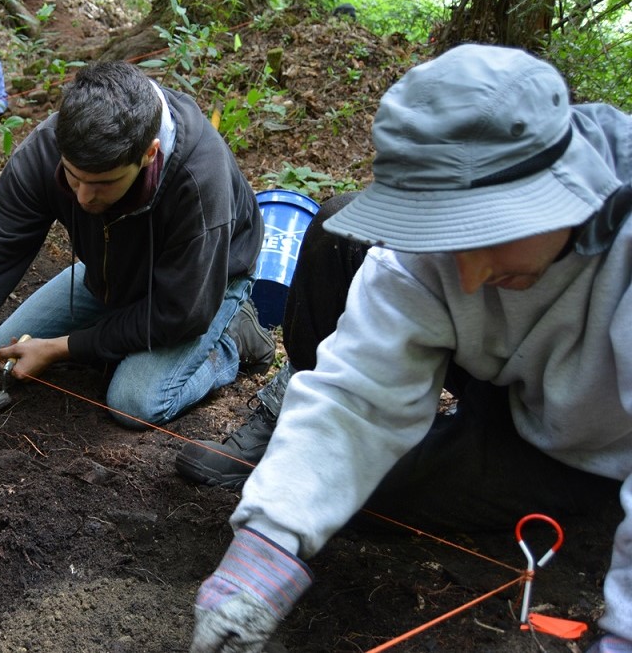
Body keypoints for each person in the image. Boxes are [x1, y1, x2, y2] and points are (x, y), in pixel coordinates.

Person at [179, 44, 632, 653]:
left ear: (557, 189)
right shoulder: (429, 247)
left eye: (486, 234)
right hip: (511, 389)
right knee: (346, 497)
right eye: (448, 238)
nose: (468, 278)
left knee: (378, 498)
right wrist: (268, 545)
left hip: (590, 442)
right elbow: (355, 393)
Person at [0, 60, 274, 480]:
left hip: (201, 286)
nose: (83, 197)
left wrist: (62, 347)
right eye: (73, 176)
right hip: (114, 271)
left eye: (103, 183)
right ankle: (117, 317)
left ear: (148, 154)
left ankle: (232, 338)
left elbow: (180, 312)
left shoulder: (198, 176)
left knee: (134, 401)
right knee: (6, 343)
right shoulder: (50, 146)